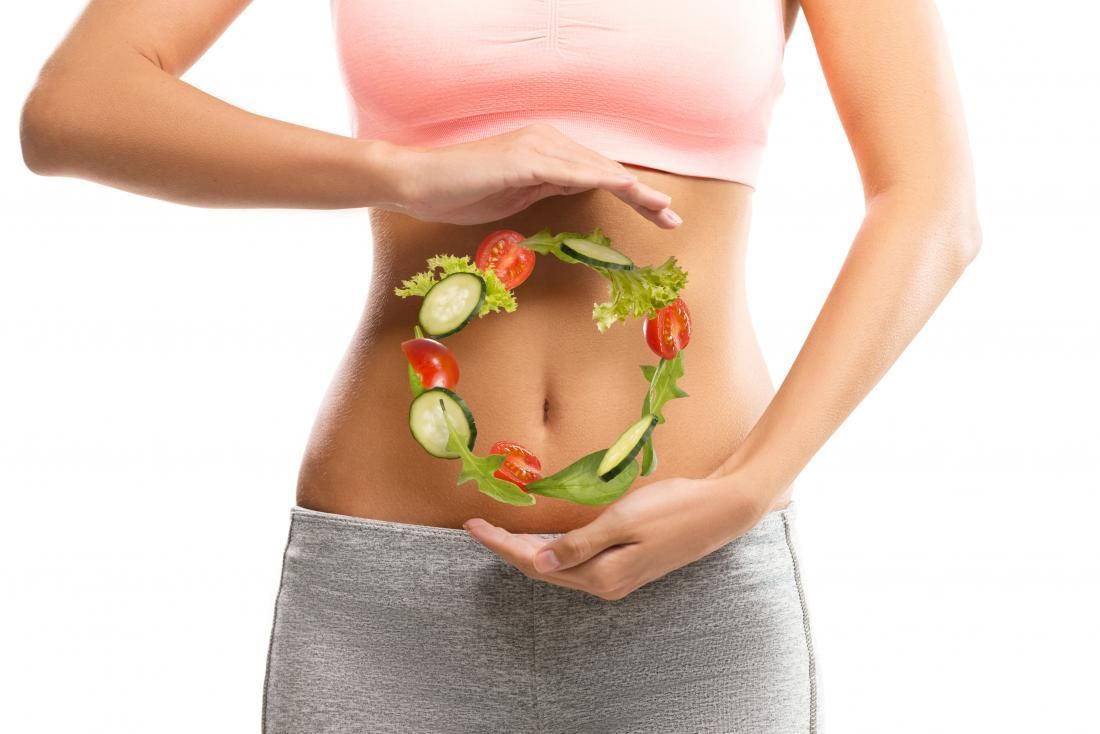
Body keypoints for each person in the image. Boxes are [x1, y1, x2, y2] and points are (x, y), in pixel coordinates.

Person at [20, 0, 981, 731]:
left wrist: (750, 487)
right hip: (385, 598)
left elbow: (931, 199)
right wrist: (404, 170)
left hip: (692, 583)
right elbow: (72, 106)